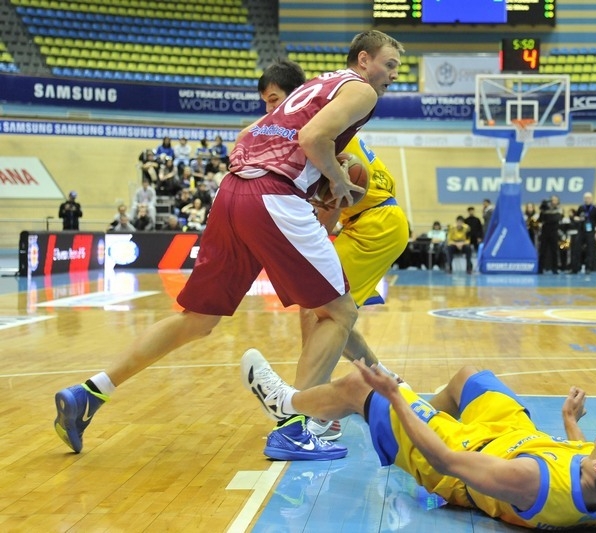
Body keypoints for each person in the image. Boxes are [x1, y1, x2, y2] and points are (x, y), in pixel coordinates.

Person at [53, 30, 404, 460]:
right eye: (389, 65)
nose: (393, 75)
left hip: (232, 192)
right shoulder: (360, 90)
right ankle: (295, 426)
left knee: (198, 319)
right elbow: (313, 139)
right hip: (273, 197)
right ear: (364, 60)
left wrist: (311, 170)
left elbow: (243, 138)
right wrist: (335, 178)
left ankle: (90, 392)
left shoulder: (314, 85)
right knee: (339, 312)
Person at [242, 350, 596, 529]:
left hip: (461, 456)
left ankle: (287, 405)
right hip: (516, 437)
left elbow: (445, 460)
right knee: (469, 376)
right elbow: (584, 467)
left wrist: (397, 399)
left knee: (361, 385)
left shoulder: (530, 481)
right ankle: (397, 417)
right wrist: (570, 422)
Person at [249, 58, 409, 441]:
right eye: (266, 102)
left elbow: (337, 199)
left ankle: (315, 410)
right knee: (334, 312)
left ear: (296, 96)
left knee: (319, 304)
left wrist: (310, 243)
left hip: (375, 223)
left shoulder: (320, 129)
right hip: (373, 221)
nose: (270, 110)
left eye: (274, 100)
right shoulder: (323, 120)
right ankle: (384, 384)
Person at [570, 192, 596, 274]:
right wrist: (577, 218)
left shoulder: (595, 209)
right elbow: (576, 217)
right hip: (581, 231)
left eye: (589, 198)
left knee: (590, 250)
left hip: (591, 231)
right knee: (577, 249)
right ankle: (576, 268)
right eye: (586, 198)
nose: (587, 200)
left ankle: (588, 267)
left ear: (592, 199)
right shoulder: (581, 208)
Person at [537, 195, 562, 274]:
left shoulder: (559, 209)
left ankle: (555, 268)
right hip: (545, 232)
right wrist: (543, 209)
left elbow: (556, 218)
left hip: (554, 232)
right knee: (542, 250)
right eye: (552, 200)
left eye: (555, 200)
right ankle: (540, 268)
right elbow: (540, 219)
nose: (553, 202)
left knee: (554, 251)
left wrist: (547, 215)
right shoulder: (545, 209)